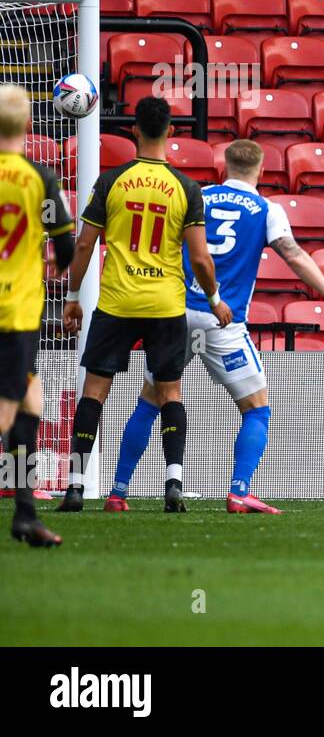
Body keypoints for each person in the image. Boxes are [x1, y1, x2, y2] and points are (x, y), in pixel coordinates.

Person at [105, 139, 324, 514]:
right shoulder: (266, 209)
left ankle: (118, 492)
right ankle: (238, 491)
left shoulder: (197, 195)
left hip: (176, 313)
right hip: (223, 320)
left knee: (150, 402)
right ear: (260, 170)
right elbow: (293, 256)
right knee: (256, 408)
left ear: (223, 167)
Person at [59, 96, 232, 513]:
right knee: (170, 391)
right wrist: (214, 298)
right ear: (171, 131)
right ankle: (173, 484)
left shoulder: (111, 181)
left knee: (95, 391)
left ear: (133, 130)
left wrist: (71, 297)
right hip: (166, 304)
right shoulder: (187, 188)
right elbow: (201, 258)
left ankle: (77, 487)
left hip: (117, 301)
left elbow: (84, 243)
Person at [0, 84, 75, 546]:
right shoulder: (40, 178)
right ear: (29, 125)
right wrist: (51, 260)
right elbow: (65, 247)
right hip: (17, 309)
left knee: (31, 405)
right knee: (8, 411)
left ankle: (24, 514)